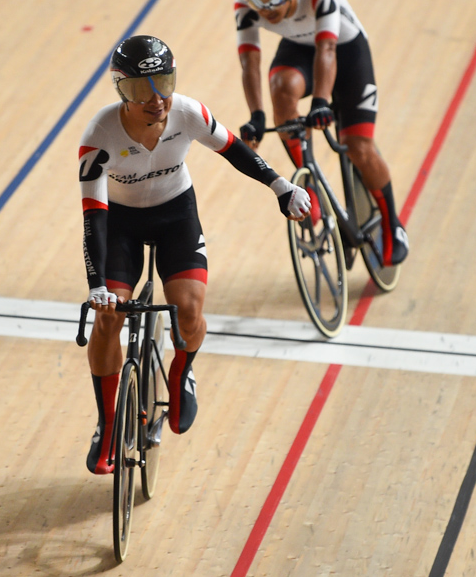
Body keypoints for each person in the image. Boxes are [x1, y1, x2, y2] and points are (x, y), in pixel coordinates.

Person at [79, 35, 310, 474]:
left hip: (175, 217)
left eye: (163, 82)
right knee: (109, 318)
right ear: (121, 92)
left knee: (188, 308)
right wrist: (96, 287)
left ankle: (182, 370)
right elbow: (94, 219)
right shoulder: (99, 136)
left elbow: (236, 152)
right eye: (140, 89)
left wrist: (282, 187)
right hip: (121, 225)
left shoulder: (187, 112)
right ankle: (107, 423)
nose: (156, 98)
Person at [233, 0, 409, 266]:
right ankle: (310, 185)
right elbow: (250, 62)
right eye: (259, 2)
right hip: (300, 50)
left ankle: (392, 223)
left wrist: (320, 103)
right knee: (281, 89)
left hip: (346, 52)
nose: (267, 9)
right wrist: (257, 115)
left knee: (359, 147)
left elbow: (327, 48)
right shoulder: (245, 7)